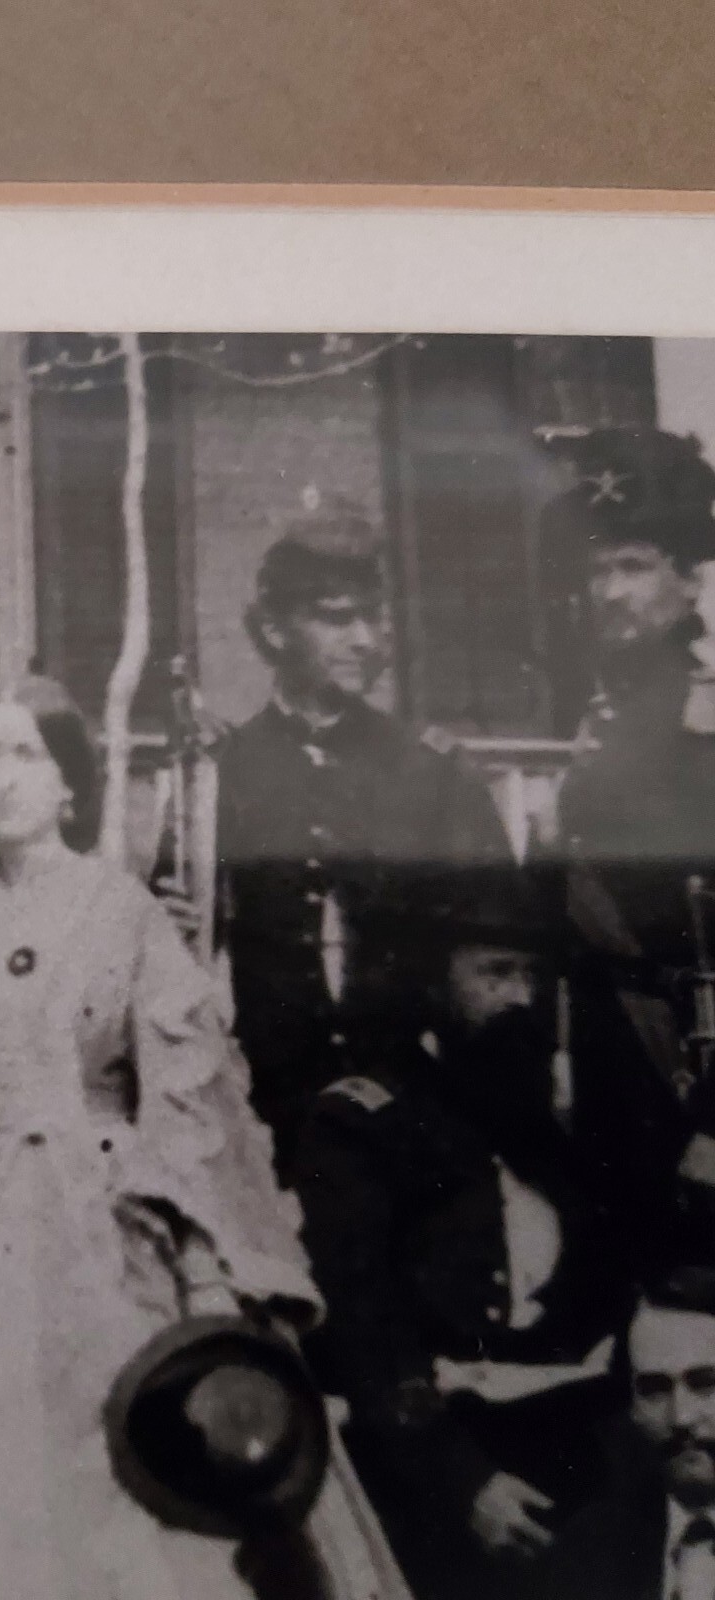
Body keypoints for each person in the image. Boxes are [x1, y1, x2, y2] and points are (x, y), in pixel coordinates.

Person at [0, 674, 375, 1600]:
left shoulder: (124, 911)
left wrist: (180, 1230)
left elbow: (185, 1091)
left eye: (27, 752)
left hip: (109, 1217)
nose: (5, 776)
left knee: (131, 1453)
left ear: (70, 783)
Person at [292, 869, 632, 1600]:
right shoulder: (362, 1124)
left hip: (571, 1453)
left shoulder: (544, 1126)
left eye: (532, 977)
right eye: (495, 973)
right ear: (435, 981)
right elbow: (365, 1332)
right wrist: (463, 1484)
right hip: (443, 1469)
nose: (520, 997)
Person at [195, 508, 512, 1169]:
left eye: (372, 617)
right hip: (263, 1113)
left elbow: (497, 967)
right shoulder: (221, 774)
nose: (365, 639)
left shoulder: (431, 773)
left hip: (410, 1109)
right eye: (338, 618)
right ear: (276, 629)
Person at [542, 426, 715, 1274]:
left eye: (635, 565)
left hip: (694, 1058)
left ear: (689, 579)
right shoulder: (604, 714)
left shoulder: (704, 712)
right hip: (616, 1057)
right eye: (597, 569)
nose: (608, 591)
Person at [539, 1270, 715, 1600]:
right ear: (631, 1408)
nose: (681, 1417)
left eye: (705, 1383)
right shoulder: (592, 1548)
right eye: (654, 1390)